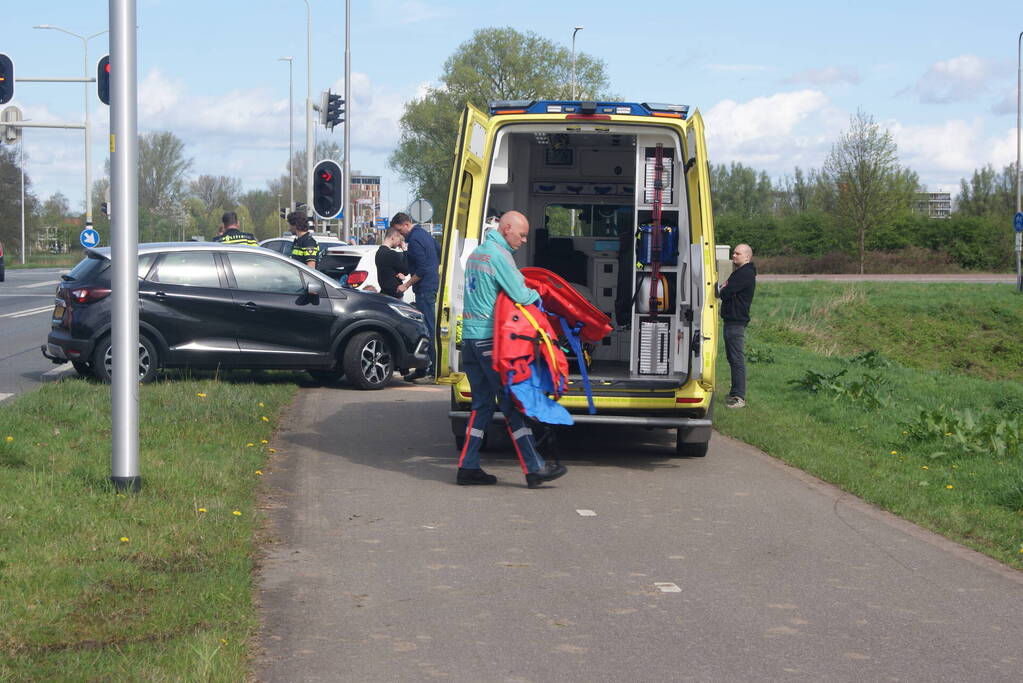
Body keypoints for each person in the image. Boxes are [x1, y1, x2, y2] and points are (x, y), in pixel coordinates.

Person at [457, 210, 568, 489]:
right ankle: (534, 468)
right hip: (487, 342)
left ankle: (467, 466)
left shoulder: (477, 255)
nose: (524, 240)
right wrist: (540, 294)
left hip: (470, 342)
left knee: (481, 405)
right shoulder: (499, 256)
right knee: (511, 403)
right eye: (521, 234)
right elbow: (520, 294)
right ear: (506, 228)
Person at [394, 213, 440, 381]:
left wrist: (406, 285)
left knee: (427, 328)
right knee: (426, 327)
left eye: (400, 230)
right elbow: (438, 252)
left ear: (406, 224)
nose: (401, 234)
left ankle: (431, 371)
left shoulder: (414, 240)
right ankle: (424, 369)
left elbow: (421, 269)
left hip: (424, 288)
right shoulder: (424, 235)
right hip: (430, 285)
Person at [717, 243, 756, 408]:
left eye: (738, 254)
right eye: (733, 253)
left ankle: (739, 397)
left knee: (737, 359)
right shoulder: (740, 272)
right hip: (731, 321)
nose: (734, 256)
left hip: (735, 322)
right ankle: (734, 393)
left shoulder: (744, 273)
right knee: (732, 358)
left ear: (747, 257)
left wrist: (719, 289)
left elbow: (724, 292)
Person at [374, 226, 407, 299]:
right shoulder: (392, 254)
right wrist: (405, 250)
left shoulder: (378, 252)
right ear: (393, 237)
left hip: (384, 292)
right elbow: (406, 270)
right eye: (399, 239)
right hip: (394, 294)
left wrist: (397, 274)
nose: (400, 242)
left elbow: (389, 270)